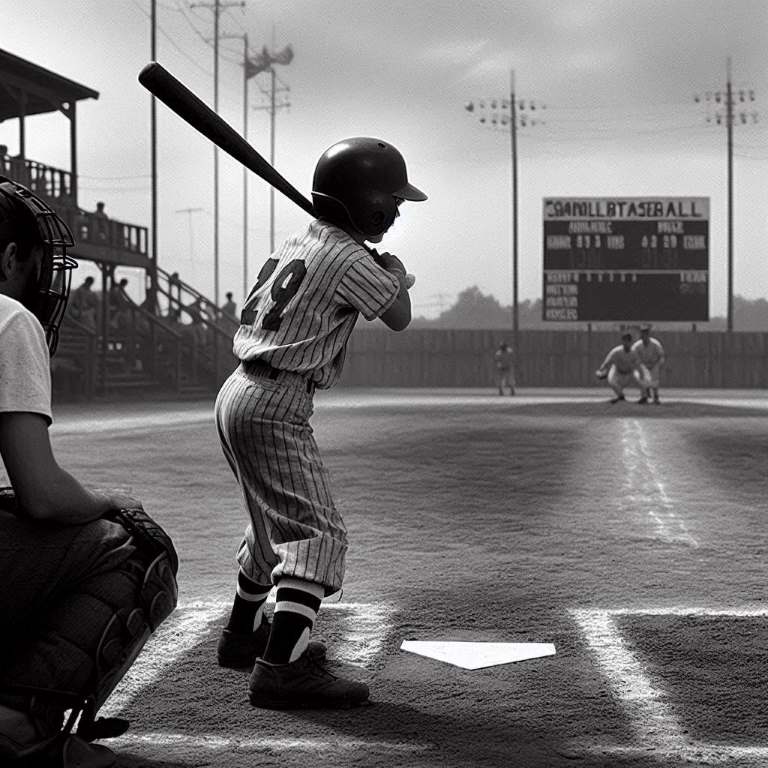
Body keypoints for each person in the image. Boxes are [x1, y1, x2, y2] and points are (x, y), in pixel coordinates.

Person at [214, 136, 426, 709]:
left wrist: (377, 269)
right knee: (316, 536)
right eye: (393, 201)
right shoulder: (350, 258)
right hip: (275, 403)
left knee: (270, 528)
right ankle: (281, 670)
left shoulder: (301, 241)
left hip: (240, 391)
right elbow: (400, 316)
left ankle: (241, 635)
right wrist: (397, 273)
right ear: (370, 204)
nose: (399, 211)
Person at [0, 177, 178, 766]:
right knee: (135, 547)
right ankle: (18, 723)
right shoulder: (7, 318)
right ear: (8, 258)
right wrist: (109, 498)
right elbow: (44, 496)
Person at [595, 331, 647, 404]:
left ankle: (644, 397)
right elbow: (607, 362)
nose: (626, 343)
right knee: (612, 381)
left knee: (640, 378)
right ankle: (621, 396)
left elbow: (638, 365)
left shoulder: (634, 353)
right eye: (624, 340)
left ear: (630, 342)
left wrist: (642, 375)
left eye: (627, 341)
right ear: (622, 341)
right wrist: (600, 371)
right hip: (617, 372)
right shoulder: (616, 351)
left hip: (630, 373)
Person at [632, 324, 666, 404]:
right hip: (643, 365)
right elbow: (632, 357)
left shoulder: (655, 343)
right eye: (643, 333)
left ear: (649, 334)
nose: (644, 335)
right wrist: (638, 366)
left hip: (654, 364)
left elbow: (662, 356)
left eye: (646, 333)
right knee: (640, 375)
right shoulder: (637, 345)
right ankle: (644, 397)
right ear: (641, 334)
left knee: (654, 378)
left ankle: (656, 397)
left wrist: (658, 365)